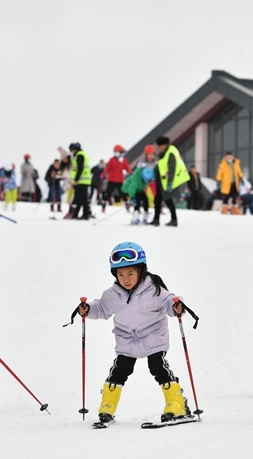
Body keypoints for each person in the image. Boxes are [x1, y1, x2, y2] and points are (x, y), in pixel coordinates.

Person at [77, 242, 191, 424]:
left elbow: (169, 302)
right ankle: (107, 405)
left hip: (153, 338)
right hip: (126, 341)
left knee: (158, 367)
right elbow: (102, 309)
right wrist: (87, 309)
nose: (126, 279)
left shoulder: (154, 290)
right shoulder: (112, 294)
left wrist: (177, 307)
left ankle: (176, 403)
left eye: (130, 273)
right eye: (120, 274)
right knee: (119, 371)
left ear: (141, 271)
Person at [152, 136, 189, 227]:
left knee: (168, 201)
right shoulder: (164, 153)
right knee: (158, 200)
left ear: (165, 145)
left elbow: (172, 169)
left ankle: (173, 220)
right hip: (162, 181)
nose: (160, 148)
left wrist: (170, 182)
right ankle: (156, 219)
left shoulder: (170, 152)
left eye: (161, 146)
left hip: (167, 182)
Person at [65, 142, 92, 220]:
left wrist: (76, 179)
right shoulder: (80, 155)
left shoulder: (80, 155)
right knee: (78, 198)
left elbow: (80, 168)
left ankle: (85, 215)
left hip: (82, 181)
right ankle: (75, 214)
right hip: (82, 180)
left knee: (83, 198)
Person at [104, 145, 130, 211]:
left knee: (123, 193)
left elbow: (127, 168)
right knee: (108, 193)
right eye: (115, 151)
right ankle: (103, 205)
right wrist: (104, 174)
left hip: (120, 180)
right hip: (111, 179)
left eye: (118, 151)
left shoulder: (124, 160)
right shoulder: (111, 159)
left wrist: (131, 173)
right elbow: (108, 168)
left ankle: (127, 206)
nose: (116, 153)